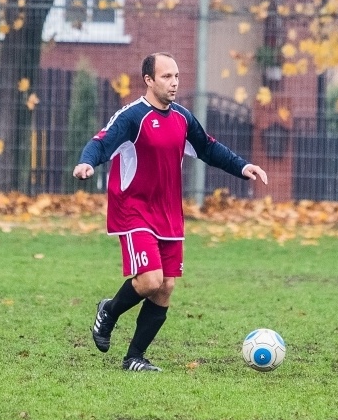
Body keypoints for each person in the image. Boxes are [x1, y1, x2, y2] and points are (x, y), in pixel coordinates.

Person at [73, 52, 268, 372]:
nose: (174, 82)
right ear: (148, 80)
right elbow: (102, 142)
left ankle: (134, 357)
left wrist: (242, 166)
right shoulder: (132, 117)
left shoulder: (182, 118)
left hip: (168, 214)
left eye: (177, 76)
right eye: (166, 77)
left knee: (165, 288)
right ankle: (108, 310)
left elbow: (208, 147)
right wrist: (87, 162)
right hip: (133, 209)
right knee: (150, 280)